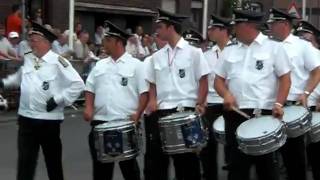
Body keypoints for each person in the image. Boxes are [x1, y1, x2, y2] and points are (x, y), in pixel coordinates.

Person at [0, 22, 85, 180]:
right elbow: (19, 77)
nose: (31, 43)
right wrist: (4, 83)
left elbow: (78, 84)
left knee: (53, 163)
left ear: (46, 42)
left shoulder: (57, 61)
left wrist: (59, 99)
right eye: (30, 39)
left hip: (48, 121)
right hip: (26, 118)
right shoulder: (29, 58)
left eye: (34, 40)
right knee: (25, 163)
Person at [214, 9, 292, 180]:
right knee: (237, 166)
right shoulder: (229, 50)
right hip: (235, 113)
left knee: (266, 168)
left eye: (237, 25)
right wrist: (226, 94)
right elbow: (218, 80)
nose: (234, 30)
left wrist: (279, 104)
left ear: (249, 26)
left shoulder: (274, 48)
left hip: (262, 114)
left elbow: (285, 79)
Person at [145, 8, 209, 180]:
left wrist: (200, 103)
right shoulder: (156, 56)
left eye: (160, 27)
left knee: (187, 163)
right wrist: (152, 100)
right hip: (162, 112)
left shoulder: (194, 53)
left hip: (185, 112)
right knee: (158, 162)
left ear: (170, 28)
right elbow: (152, 82)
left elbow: (203, 80)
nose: (157, 31)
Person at [83, 20, 148, 180]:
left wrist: (138, 114)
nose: (103, 43)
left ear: (119, 42)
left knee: (129, 170)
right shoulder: (100, 65)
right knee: (101, 172)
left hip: (124, 123)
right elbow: (90, 88)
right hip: (100, 123)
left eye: (108, 40)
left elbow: (144, 93)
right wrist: (89, 108)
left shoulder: (136, 65)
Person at [268, 8, 320, 180]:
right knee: (271, 157)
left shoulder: (302, 46)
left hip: (293, 106)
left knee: (294, 157)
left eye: (273, 23)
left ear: (284, 24)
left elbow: (317, 71)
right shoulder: (268, 46)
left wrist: (306, 92)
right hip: (271, 106)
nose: (270, 26)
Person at [199, 14, 232, 180]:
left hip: (231, 104)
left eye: (213, 28)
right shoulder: (207, 55)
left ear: (223, 30)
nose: (209, 31)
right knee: (208, 145)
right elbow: (203, 81)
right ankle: (210, 175)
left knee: (234, 144)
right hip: (211, 104)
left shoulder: (236, 51)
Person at [295, 20, 320, 180]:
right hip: (299, 105)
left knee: (315, 150)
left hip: (315, 106)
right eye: (299, 35)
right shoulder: (295, 54)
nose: (302, 37)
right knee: (296, 152)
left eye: (306, 35)